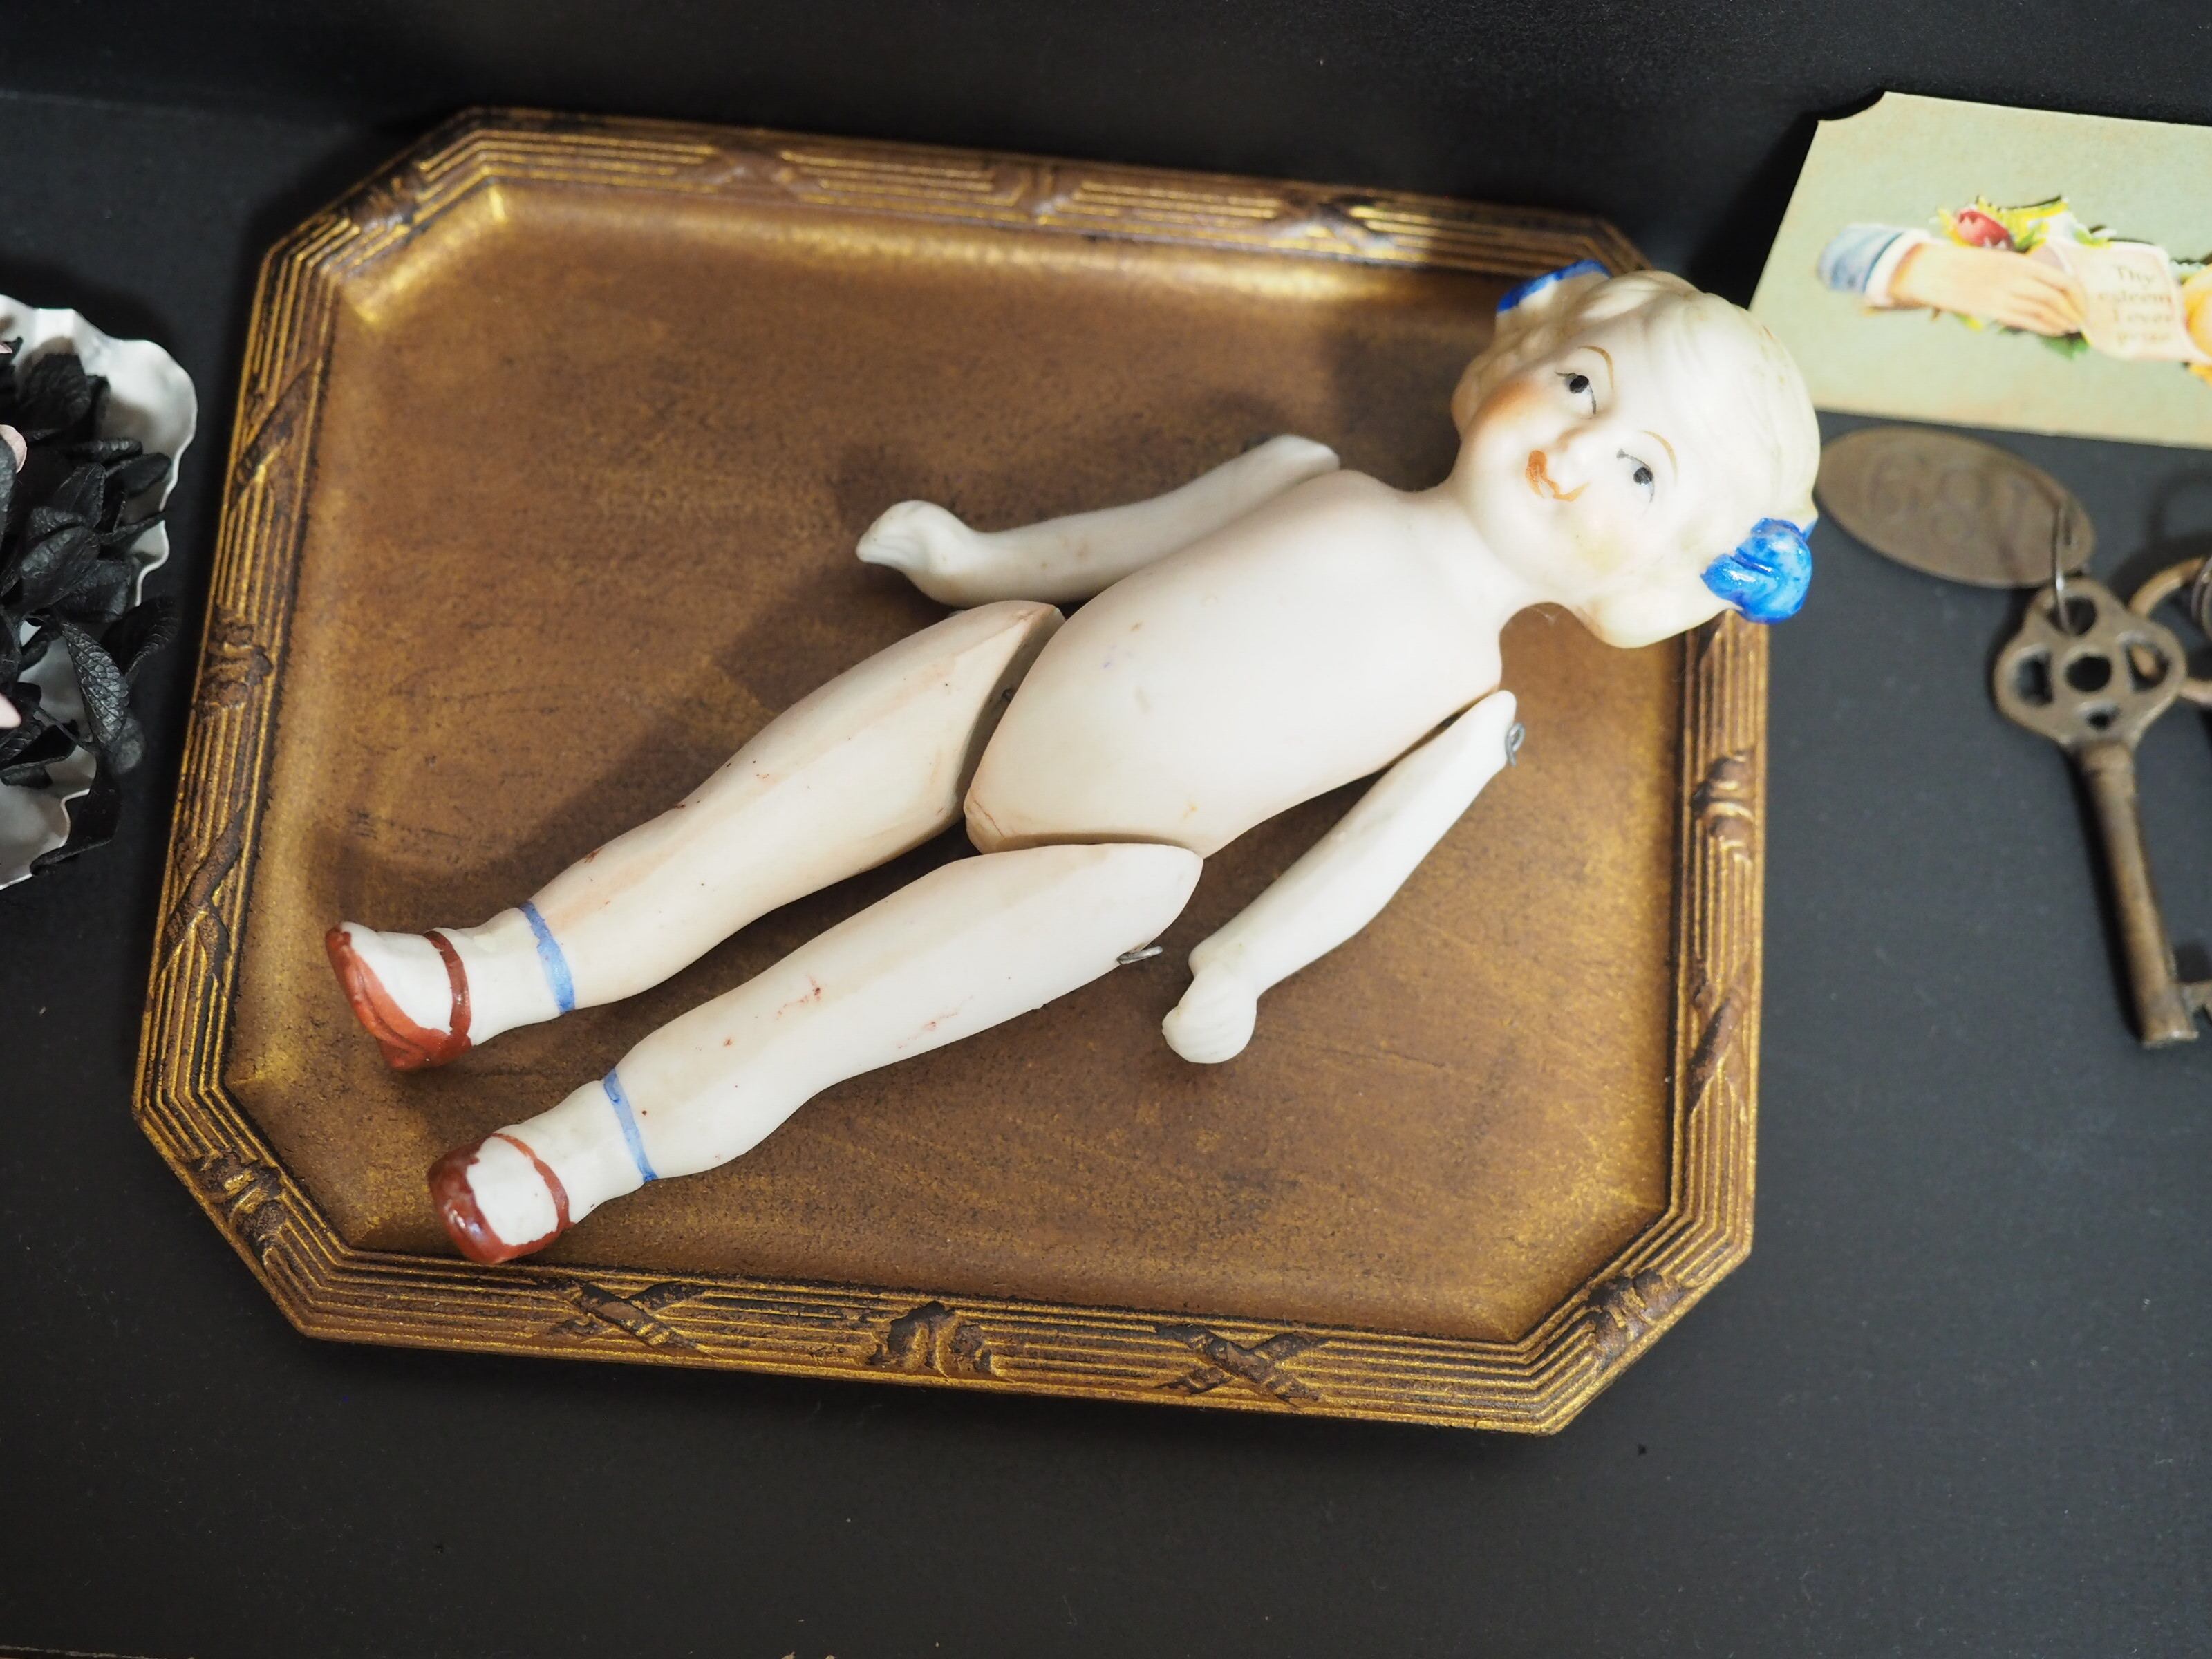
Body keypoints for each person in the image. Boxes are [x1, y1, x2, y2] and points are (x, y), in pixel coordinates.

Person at [324, 263, 1820, 1263]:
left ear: (1667, 577)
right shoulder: (1308, 477)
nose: (1577, 452)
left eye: (1642, 473)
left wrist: (1241, 966)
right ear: (1520, 358)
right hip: (1009, 678)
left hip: (1109, 868)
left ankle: (581, 1154)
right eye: (1583, 389)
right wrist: (973, 561)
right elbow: (1125, 539)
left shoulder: (1472, 707)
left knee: (825, 1011)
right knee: (732, 827)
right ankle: (490, 975)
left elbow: (1364, 864)